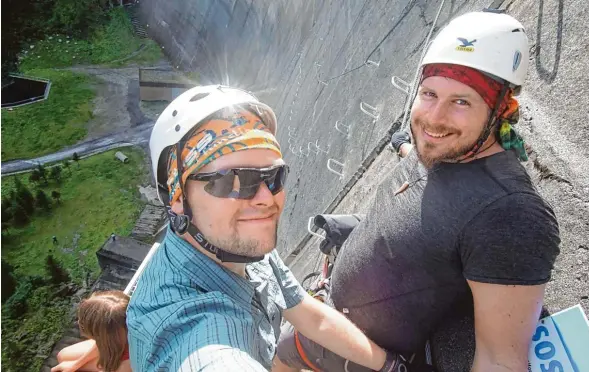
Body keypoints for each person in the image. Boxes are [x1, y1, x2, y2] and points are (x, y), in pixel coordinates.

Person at [276, 10, 561, 372]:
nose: (434, 118)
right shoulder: (443, 148)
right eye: (429, 93)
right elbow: (434, 180)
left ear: (501, 109)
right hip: (334, 304)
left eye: (461, 101)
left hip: (362, 350)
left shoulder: (509, 215)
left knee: (282, 353)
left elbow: (501, 361)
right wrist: (403, 147)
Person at [126, 85, 406, 371]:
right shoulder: (190, 328)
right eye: (233, 180)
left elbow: (313, 318)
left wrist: (391, 365)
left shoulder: (239, 244)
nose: (265, 198)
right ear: (177, 197)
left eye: (274, 176)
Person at [51, 291, 131, 372]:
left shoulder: (128, 364)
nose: (79, 322)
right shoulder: (122, 329)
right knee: (63, 355)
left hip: (123, 360)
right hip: (118, 347)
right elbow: (103, 343)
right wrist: (74, 365)